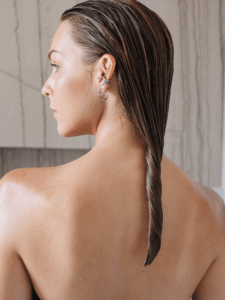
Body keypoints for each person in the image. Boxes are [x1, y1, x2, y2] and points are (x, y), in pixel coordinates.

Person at [0, 0, 224, 299]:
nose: (46, 86)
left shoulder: (18, 198)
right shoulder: (212, 213)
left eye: (56, 65)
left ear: (104, 69)